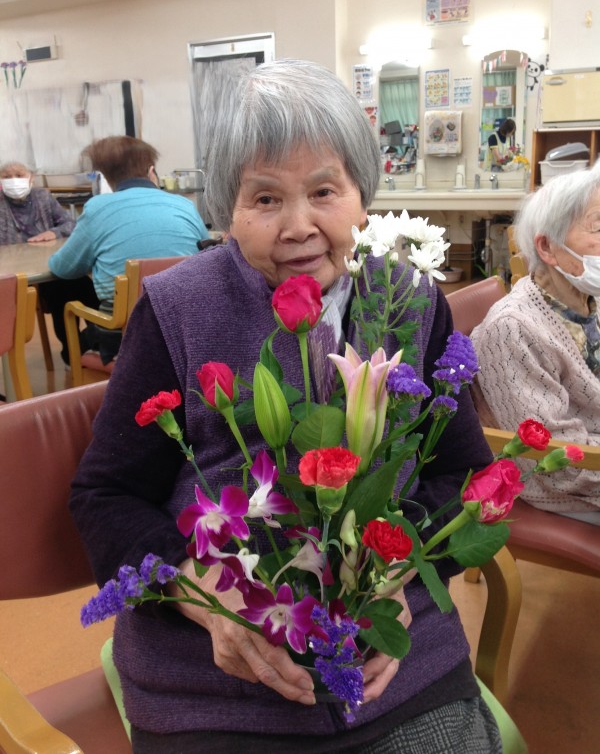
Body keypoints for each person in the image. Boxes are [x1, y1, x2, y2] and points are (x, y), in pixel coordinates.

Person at [70, 60, 500, 753]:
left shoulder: (410, 300)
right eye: (265, 198)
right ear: (228, 210)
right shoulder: (178, 308)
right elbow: (105, 495)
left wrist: (395, 571)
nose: (299, 226)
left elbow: (461, 475)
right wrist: (201, 594)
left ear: (362, 195)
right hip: (215, 674)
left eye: (324, 191)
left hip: (392, 654)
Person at [471, 161, 600, 525]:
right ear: (547, 247)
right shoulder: (514, 328)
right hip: (567, 484)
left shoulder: (588, 299)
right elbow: (555, 463)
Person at [48, 136, 209, 364]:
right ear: (151, 171)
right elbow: (206, 256)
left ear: (106, 177)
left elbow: (62, 268)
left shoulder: (97, 208)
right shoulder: (184, 205)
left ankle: (73, 360)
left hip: (125, 339)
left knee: (63, 288)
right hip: (185, 331)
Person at [0, 161, 99, 366]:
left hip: (47, 264)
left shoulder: (42, 197)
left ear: (31, 178)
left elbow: (70, 223)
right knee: (58, 290)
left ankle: (98, 341)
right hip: (13, 272)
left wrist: (53, 232)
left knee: (79, 282)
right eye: (7, 177)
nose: (13, 181)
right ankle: (73, 348)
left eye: (19, 175)